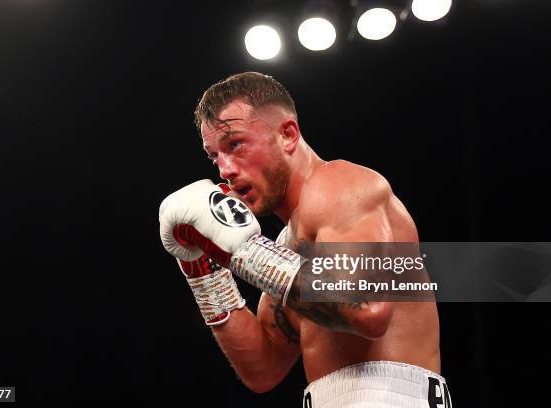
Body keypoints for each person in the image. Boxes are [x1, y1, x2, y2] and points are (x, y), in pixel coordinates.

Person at [159, 72, 451, 407]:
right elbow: (263, 369)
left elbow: (368, 308)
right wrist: (205, 273)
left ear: (287, 134)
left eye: (235, 144)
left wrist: (244, 252)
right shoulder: (285, 249)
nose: (224, 169)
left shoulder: (340, 185)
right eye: (215, 156)